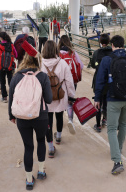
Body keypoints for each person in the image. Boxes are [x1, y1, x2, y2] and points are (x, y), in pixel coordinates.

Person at [8, 41, 52, 190]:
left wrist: (11, 116)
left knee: (28, 147)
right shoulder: (43, 76)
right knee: (40, 141)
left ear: (24, 59)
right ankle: (40, 171)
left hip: (21, 117)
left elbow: (11, 99)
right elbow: (49, 99)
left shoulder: (16, 77)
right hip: (40, 116)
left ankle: (28, 180)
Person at [94, 35, 126, 175]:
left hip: (113, 98)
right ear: (123, 45)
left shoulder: (107, 60)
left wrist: (97, 98)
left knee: (112, 128)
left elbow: (100, 81)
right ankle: (118, 149)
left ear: (112, 45)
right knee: (123, 124)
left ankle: (117, 161)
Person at [41, 40, 75, 158]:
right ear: (56, 50)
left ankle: (50, 147)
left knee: (48, 121)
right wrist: (71, 96)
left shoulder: (40, 64)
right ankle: (59, 137)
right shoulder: (62, 63)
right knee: (59, 116)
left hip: (46, 97)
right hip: (60, 95)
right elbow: (69, 82)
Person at [58, 35, 83, 134]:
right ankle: (70, 120)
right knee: (69, 101)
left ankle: (59, 126)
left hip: (60, 82)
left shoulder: (57, 53)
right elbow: (81, 65)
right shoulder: (73, 52)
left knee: (59, 100)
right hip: (72, 81)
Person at [91, 33, 112, 133]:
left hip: (99, 80)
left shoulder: (96, 53)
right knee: (106, 102)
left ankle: (98, 125)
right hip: (109, 80)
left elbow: (93, 65)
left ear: (100, 42)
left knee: (98, 102)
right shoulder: (112, 52)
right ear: (109, 42)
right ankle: (105, 119)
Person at [0, 32, 17, 102]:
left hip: (0, 66)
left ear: (1, 38)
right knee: (11, 81)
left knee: (2, 82)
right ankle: (12, 96)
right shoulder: (11, 45)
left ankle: (4, 97)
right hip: (10, 66)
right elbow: (16, 55)